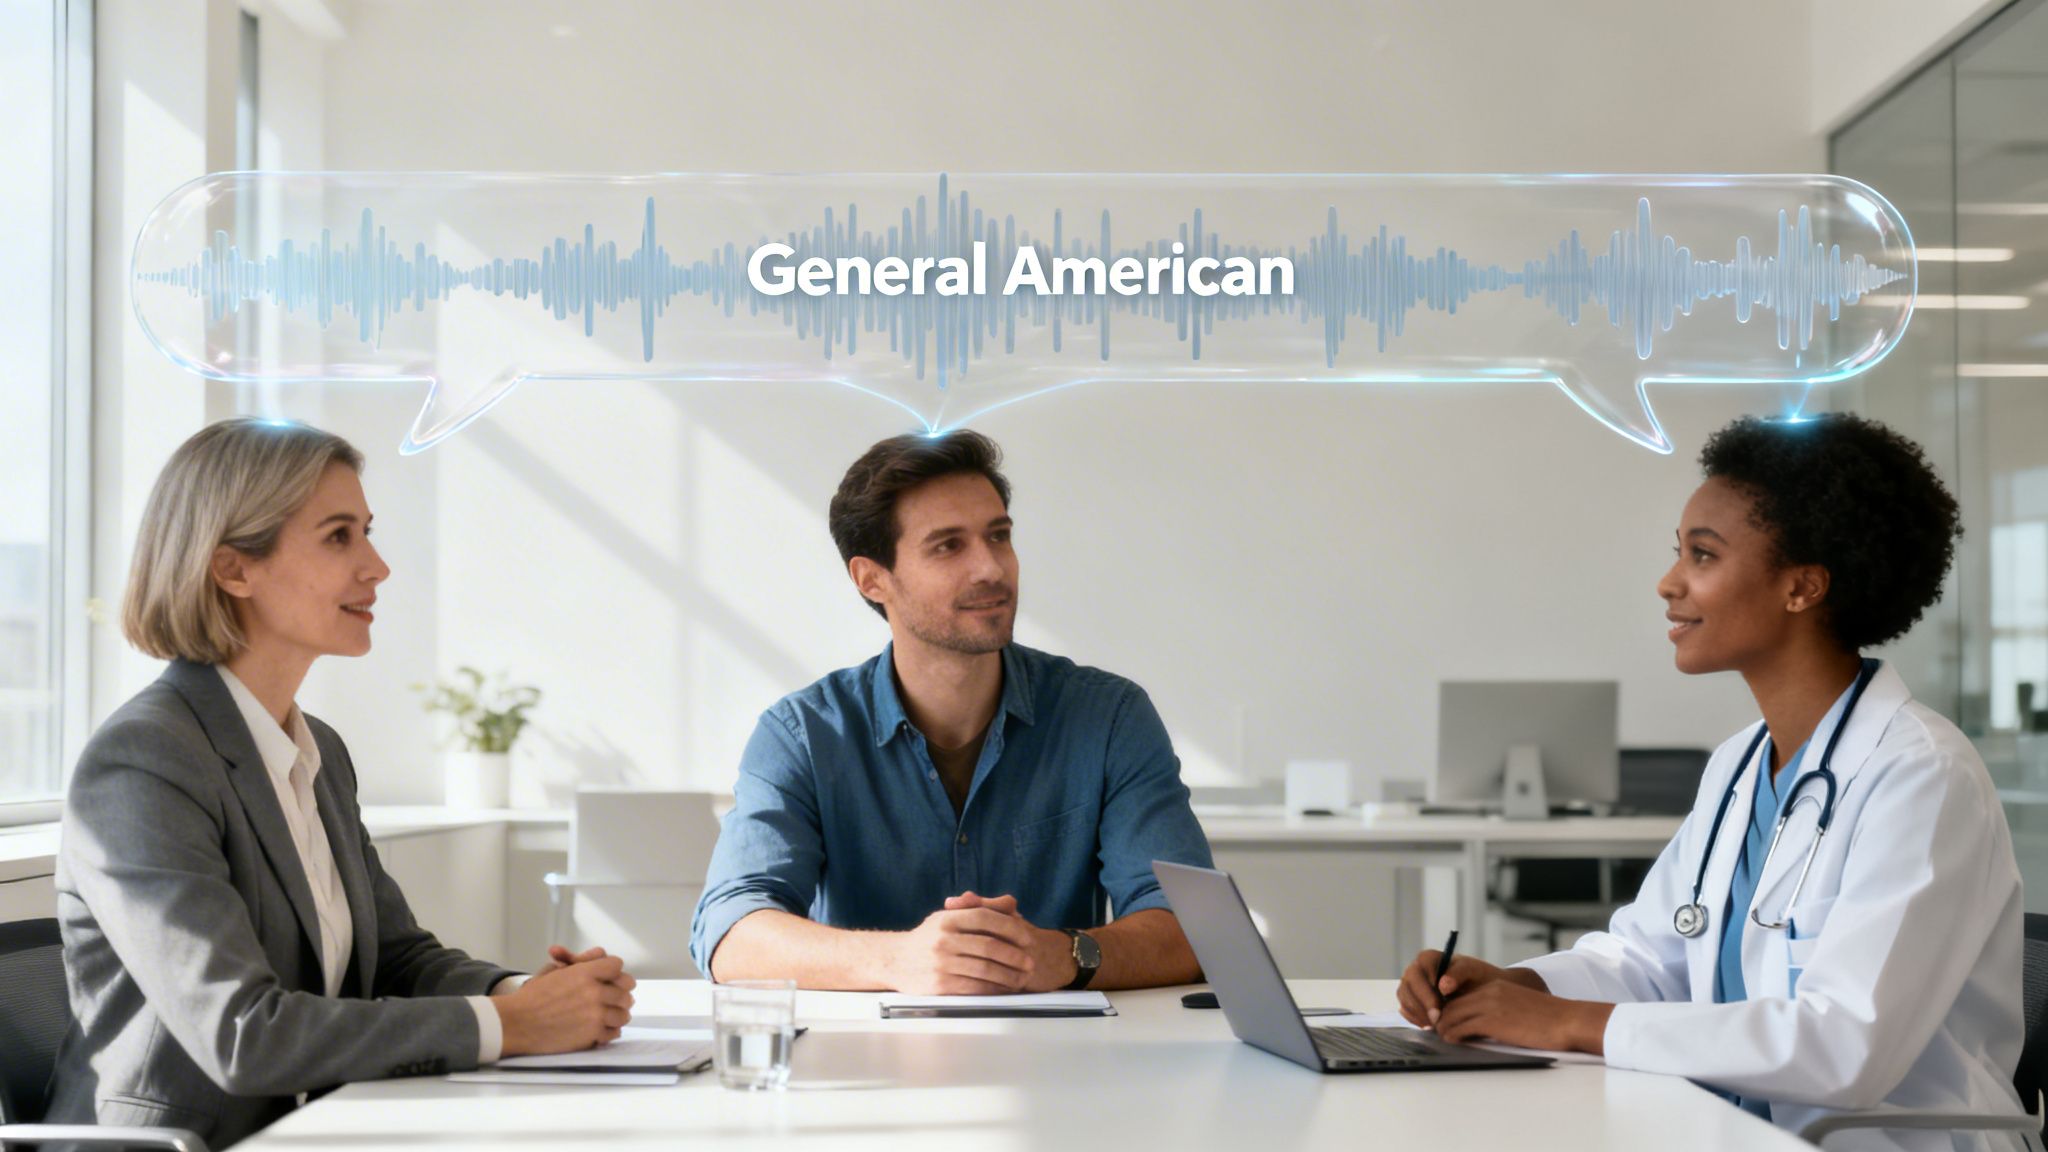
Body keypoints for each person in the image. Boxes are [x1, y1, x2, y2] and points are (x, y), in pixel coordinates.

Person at [1397, 413, 2026, 1149]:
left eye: (1702, 555)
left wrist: (1573, 1022)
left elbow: (1845, 1046)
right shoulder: (1738, 764)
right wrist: (1517, 987)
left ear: (1802, 586)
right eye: (1680, 553)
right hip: (1730, 1129)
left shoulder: (1921, 775)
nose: (1669, 584)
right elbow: (1646, 960)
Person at [47, 419, 637, 1148]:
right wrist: (511, 1027)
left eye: (367, 531)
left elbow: (395, 958)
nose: (378, 566)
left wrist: (523, 994)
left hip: (317, 1128)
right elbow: (242, 1034)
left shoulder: (315, 749)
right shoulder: (144, 760)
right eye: (338, 536)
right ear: (234, 569)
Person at [691, 430, 1213, 993]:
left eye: (999, 536)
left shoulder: (1109, 718)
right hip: (865, 1066)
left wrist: (1067, 954)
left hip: (1067, 1062)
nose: (991, 567)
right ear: (872, 578)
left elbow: (1196, 930)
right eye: (948, 546)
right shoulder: (802, 735)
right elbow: (730, 932)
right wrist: (901, 961)